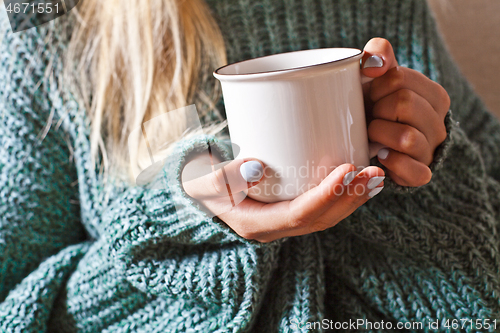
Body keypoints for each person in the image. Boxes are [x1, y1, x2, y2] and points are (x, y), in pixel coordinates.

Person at [0, 0, 499, 332]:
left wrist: (433, 159)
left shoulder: (386, 6)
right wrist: (179, 227)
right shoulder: (47, 24)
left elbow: (484, 187)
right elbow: (18, 304)